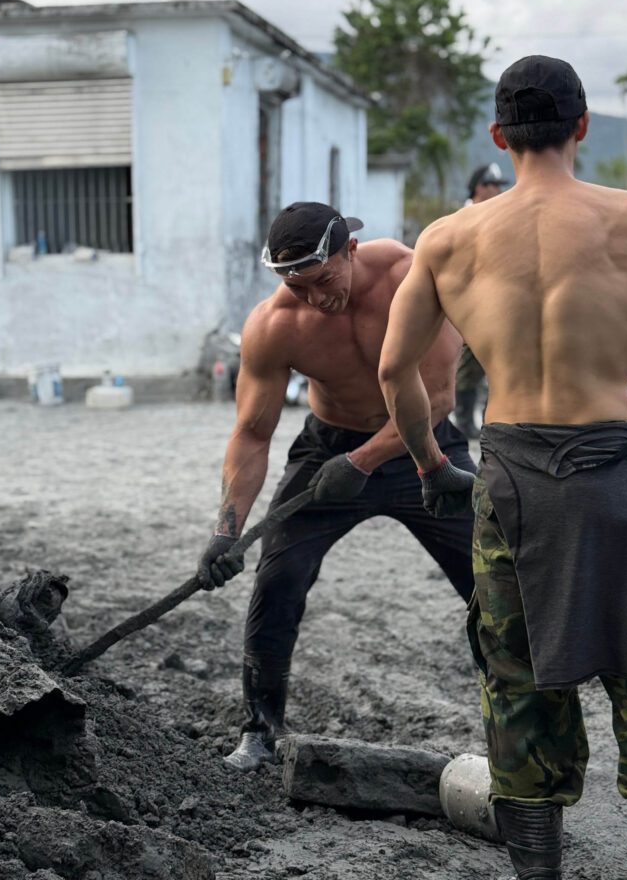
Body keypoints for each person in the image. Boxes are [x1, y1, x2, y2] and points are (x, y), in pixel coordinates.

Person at [378, 55, 627, 880]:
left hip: (512, 481)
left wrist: (429, 463)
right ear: (582, 128)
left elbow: (396, 373)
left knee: (517, 684)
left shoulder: (449, 239)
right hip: (620, 468)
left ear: (498, 136)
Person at [197, 201, 477, 772]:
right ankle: (260, 730)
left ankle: (526, 726)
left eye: (324, 280)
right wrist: (226, 529)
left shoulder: (410, 278)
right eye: (299, 288)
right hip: (328, 450)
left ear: (350, 249)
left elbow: (440, 397)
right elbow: (252, 435)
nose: (316, 299)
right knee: (277, 579)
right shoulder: (275, 325)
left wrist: (365, 460)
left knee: (489, 581)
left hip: (424, 447)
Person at [454, 163, 509, 437]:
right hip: (470, 305)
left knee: (498, 367)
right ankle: (464, 423)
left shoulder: (497, 217)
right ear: (479, 188)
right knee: (467, 368)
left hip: (497, 303)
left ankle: (492, 423)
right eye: (494, 185)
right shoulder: (462, 220)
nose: (498, 191)